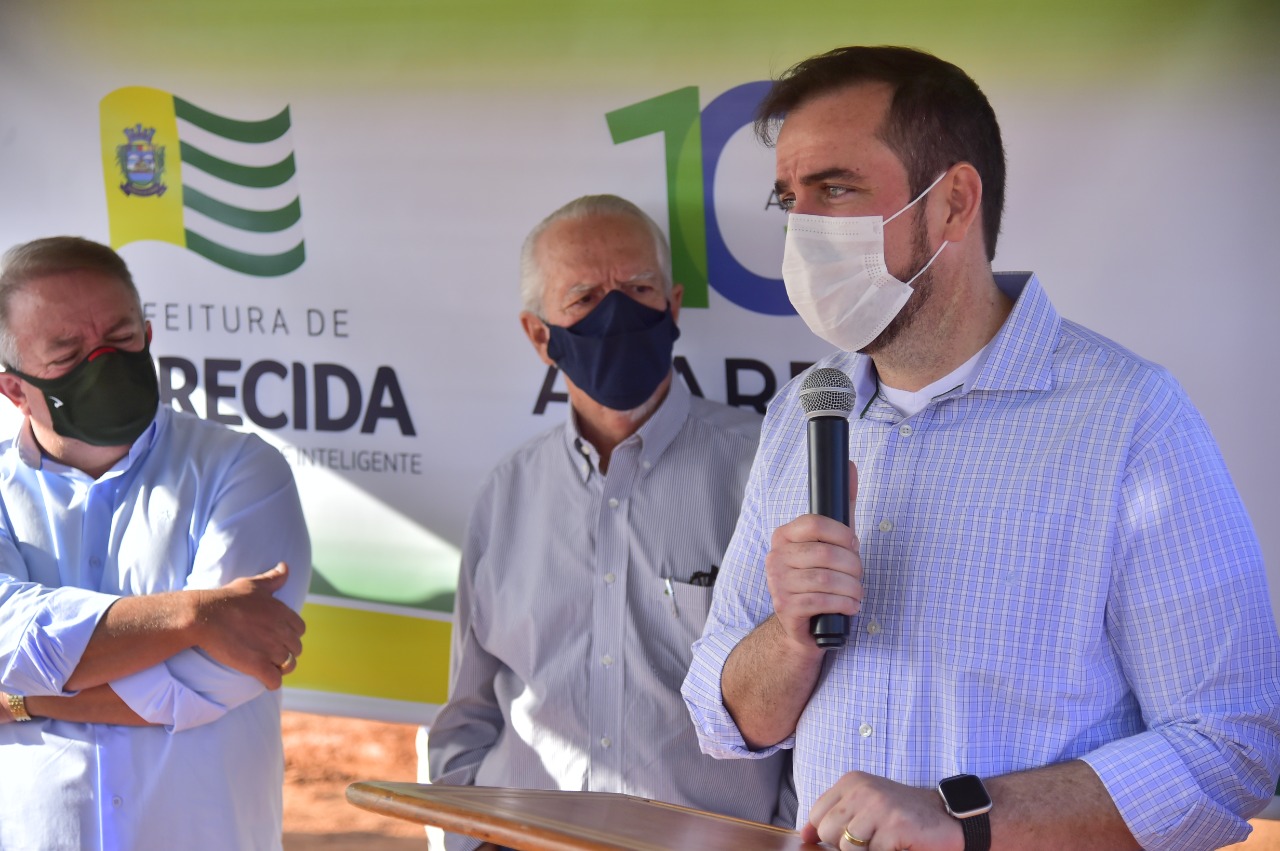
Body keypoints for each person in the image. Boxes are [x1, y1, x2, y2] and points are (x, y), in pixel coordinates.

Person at [681, 45, 1280, 851]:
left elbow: (1233, 746)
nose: (803, 228)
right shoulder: (803, 412)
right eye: (790, 197)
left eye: (837, 188)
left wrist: (961, 813)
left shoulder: (1130, 418)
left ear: (955, 202)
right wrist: (788, 636)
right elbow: (725, 721)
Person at [425, 194, 793, 850]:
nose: (616, 310)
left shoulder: (764, 471)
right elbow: (469, 710)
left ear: (674, 306)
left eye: (638, 287)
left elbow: (813, 701)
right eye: (586, 296)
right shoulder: (508, 493)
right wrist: (469, 837)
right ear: (541, 336)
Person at [0, 237, 311, 850]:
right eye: (67, 353)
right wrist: (193, 614)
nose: (103, 361)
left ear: (147, 335)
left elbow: (219, 675)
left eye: (120, 338)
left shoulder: (244, 470)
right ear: (14, 390)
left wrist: (21, 703)